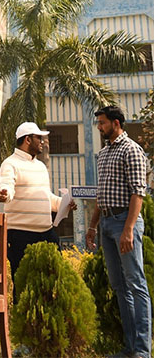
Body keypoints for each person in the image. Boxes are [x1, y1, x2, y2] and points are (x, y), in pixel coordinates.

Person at [87, 105, 151, 358]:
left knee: (136, 284)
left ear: (116, 123)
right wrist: (92, 226)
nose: (99, 127)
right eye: (98, 123)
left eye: (102, 123)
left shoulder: (131, 150)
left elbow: (138, 193)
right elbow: (101, 194)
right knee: (119, 287)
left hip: (125, 221)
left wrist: (129, 229)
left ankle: (143, 350)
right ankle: (130, 348)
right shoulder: (103, 153)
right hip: (106, 223)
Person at [0, 121, 62, 297]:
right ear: (27, 140)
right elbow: (7, 186)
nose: (42, 142)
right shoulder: (10, 164)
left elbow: (46, 197)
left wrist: (64, 203)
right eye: (39, 138)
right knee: (23, 286)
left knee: (54, 284)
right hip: (20, 235)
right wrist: (4, 194)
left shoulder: (40, 166)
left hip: (46, 233)